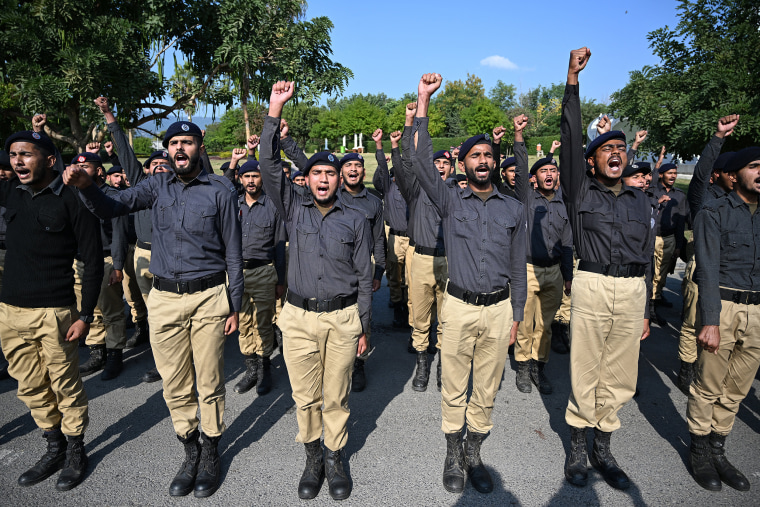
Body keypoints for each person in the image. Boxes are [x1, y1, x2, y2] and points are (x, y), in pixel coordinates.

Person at [63, 118, 243, 499]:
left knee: (209, 381)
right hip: (162, 299)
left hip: (209, 297)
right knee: (175, 382)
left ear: (200, 146)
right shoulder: (155, 186)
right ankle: (189, 448)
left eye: (187, 142)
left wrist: (235, 305)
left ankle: (211, 451)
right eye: (173, 143)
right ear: (167, 149)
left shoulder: (220, 190)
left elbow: (234, 253)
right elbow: (111, 207)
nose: (180, 149)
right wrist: (86, 187)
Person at [410, 73, 526, 495]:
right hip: (457, 306)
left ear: (495, 163)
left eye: (487, 156)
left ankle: (474, 451)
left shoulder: (513, 209)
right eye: (474, 156)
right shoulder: (448, 199)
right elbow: (420, 162)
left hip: (498, 310)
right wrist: (423, 101)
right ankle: (452, 453)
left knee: (488, 386)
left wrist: (516, 317)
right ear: (463, 164)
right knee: (455, 383)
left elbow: (518, 270)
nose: (481, 161)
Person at [259, 81, 371, 501]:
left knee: (336, 395)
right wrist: (275, 108)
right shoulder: (292, 205)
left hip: (343, 318)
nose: (323, 179)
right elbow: (269, 164)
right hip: (299, 317)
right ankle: (312, 457)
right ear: (306, 179)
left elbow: (364, 275)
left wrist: (364, 326)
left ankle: (335, 455)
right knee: (305, 396)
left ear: (339, 180)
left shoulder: (356, 219)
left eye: (330, 173)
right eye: (316, 173)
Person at [560, 47, 655, 491]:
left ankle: (604, 446)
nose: (615, 152)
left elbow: (649, 256)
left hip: (633, 289)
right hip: (594, 283)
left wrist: (648, 307)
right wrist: (572, 80)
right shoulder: (582, 192)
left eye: (621, 148)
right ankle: (578, 445)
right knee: (586, 367)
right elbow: (573, 134)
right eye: (607, 149)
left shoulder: (641, 199)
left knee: (620, 373)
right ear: (595, 161)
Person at [1, 129, 104, 491]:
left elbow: (92, 262)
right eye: (13, 155)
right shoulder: (9, 193)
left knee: (65, 385)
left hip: (54, 312)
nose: (17, 161)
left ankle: (76, 450)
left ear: (48, 160)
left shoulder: (74, 200)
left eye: (26, 154)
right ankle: (54, 446)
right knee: (29, 386)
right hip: (10, 311)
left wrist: (86, 315)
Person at [687, 144, 760, 493]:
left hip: (758, 311)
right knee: (708, 385)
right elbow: (708, 271)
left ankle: (719, 449)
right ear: (735, 174)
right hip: (724, 306)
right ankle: (699, 449)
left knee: (736, 390)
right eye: (755, 166)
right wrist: (711, 321)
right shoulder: (713, 212)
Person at [96, 97, 171, 383]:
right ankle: (161, 360)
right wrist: (108, 115)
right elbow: (126, 154)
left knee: (167, 316)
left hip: (169, 258)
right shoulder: (142, 186)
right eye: (155, 165)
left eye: (166, 164)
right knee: (152, 314)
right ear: (147, 172)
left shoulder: (180, 190)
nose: (160, 168)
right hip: (142, 255)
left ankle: (172, 363)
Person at [678, 116, 739, 394]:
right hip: (701, 268)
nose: (735, 177)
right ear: (718, 174)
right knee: (693, 323)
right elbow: (701, 174)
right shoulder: (705, 196)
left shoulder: (739, 202)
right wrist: (718, 138)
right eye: (730, 173)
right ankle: (686, 368)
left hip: (729, 274)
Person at [512, 119, 573, 396]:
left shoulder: (563, 203)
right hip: (528, 270)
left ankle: (539, 366)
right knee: (525, 323)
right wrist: (519, 134)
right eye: (544, 171)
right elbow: (522, 169)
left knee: (545, 326)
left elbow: (568, 243)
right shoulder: (526, 197)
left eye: (553, 170)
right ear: (535, 179)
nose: (549, 174)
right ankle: (523, 367)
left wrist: (568, 276)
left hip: (554, 273)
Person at [395, 102, 449, 392]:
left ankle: (441, 360)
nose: (440, 167)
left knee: (447, 314)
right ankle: (422, 360)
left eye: (445, 164)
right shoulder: (414, 190)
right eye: (435, 163)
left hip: (449, 260)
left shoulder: (455, 193)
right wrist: (411, 121)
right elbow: (409, 158)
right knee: (420, 314)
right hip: (421, 257)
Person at [68, 151, 129, 380]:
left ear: (99, 171)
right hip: (80, 260)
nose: (80, 171)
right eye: (77, 167)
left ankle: (114, 353)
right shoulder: (72, 194)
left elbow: (120, 235)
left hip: (105, 260)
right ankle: (97, 352)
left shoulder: (111, 196)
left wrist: (118, 265)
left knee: (111, 311)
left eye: (86, 168)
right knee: (88, 309)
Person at [232, 159, 286, 395]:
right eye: (246, 176)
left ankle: (265, 369)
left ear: (262, 178)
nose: (251, 181)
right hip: (237, 272)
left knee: (263, 322)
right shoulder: (233, 205)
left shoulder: (273, 206)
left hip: (264, 271)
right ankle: (251, 369)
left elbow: (279, 246)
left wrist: (281, 281)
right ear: (240, 179)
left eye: (255, 176)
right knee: (243, 323)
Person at [372, 129, 411, 329]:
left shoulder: (414, 189)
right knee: (395, 277)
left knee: (411, 279)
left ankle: (409, 308)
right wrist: (379, 144)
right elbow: (381, 165)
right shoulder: (388, 187)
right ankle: (398, 309)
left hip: (414, 240)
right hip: (395, 238)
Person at [648, 161, 689, 324]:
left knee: (662, 274)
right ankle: (650, 308)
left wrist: (679, 245)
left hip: (669, 239)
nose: (673, 176)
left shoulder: (679, 195)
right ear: (661, 174)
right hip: (653, 238)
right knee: (651, 272)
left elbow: (680, 223)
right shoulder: (652, 191)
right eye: (669, 173)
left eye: (675, 173)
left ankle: (655, 300)